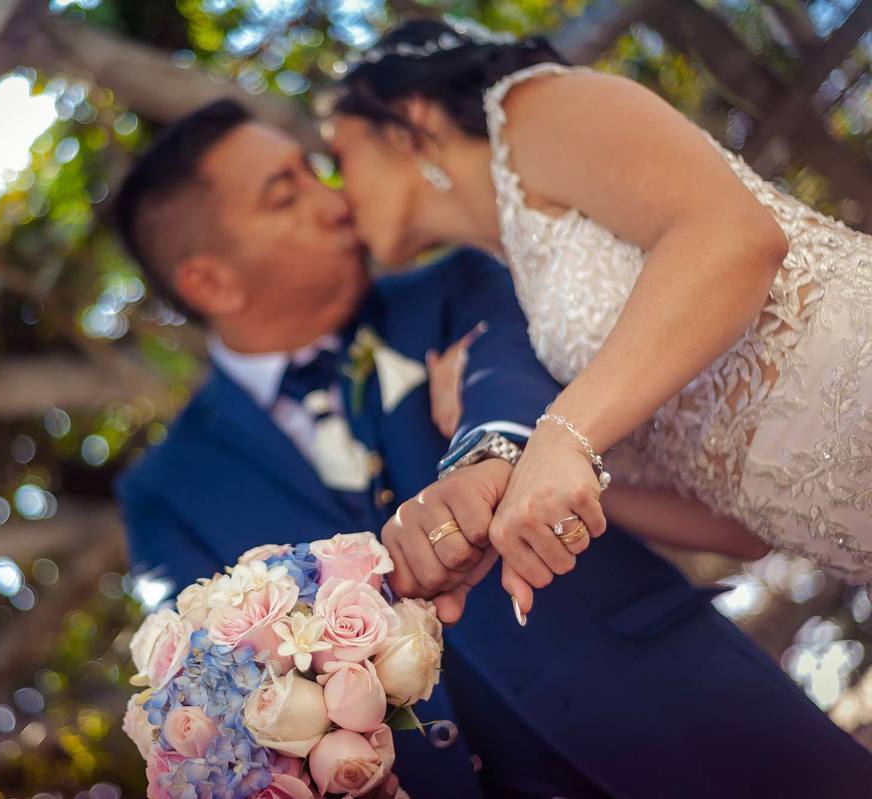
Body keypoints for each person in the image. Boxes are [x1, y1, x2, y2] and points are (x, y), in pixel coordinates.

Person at [110, 98, 872, 798]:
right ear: (211, 281)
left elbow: (504, 374)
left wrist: (487, 450)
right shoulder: (166, 491)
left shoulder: (451, 285)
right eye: (288, 192)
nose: (334, 197)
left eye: (316, 170)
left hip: (691, 719)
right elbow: (218, 690)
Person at [324, 18, 872, 611]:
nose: (335, 194)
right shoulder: (522, 298)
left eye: (337, 155)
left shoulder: (535, 108)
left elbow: (736, 239)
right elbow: (739, 532)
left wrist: (562, 433)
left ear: (409, 119)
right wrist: (536, 480)